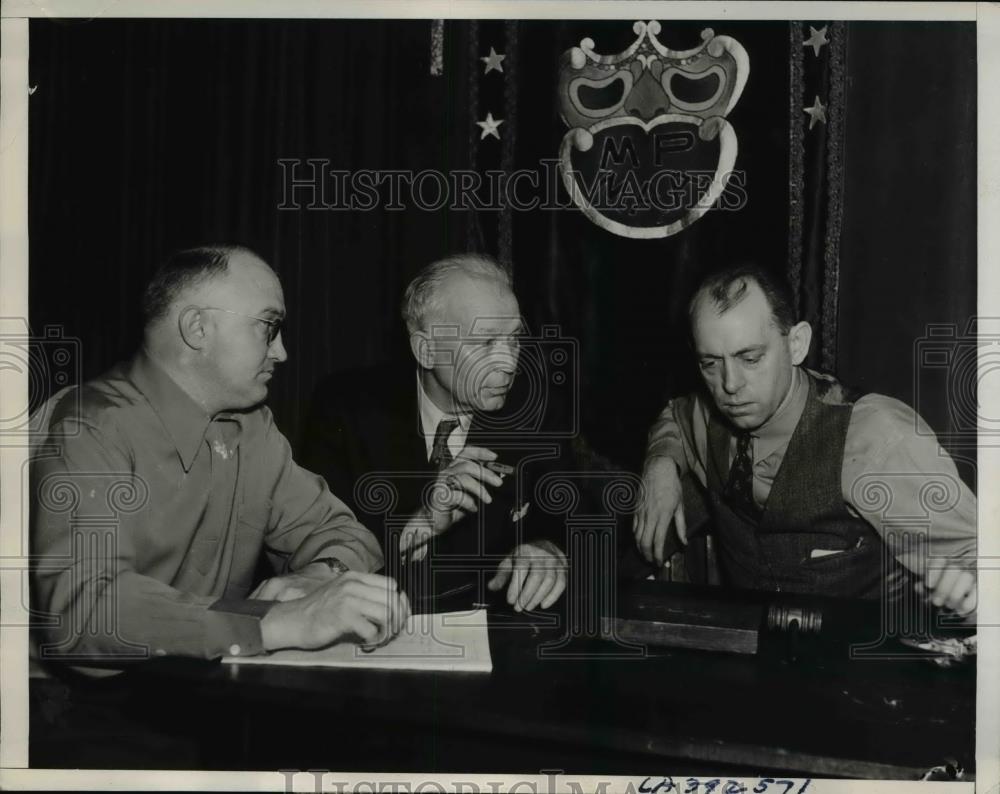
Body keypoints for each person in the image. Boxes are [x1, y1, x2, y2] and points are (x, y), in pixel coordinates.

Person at [31, 245, 409, 665]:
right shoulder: (91, 426)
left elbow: (343, 532)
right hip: (81, 710)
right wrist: (277, 622)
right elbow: (84, 614)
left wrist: (317, 577)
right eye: (269, 326)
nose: (281, 351)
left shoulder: (252, 429)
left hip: (205, 695)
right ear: (197, 328)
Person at [632, 263, 976, 614]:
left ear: (796, 345)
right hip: (749, 658)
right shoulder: (709, 416)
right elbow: (675, 415)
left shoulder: (874, 437)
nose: (730, 384)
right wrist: (661, 462)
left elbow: (977, 558)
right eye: (710, 364)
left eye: (750, 358)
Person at [302, 254, 569, 613]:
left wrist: (551, 550)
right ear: (426, 350)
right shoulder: (347, 409)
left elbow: (569, 515)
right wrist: (422, 521)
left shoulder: (536, 412)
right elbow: (313, 553)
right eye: (485, 343)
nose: (509, 362)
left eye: (514, 339)